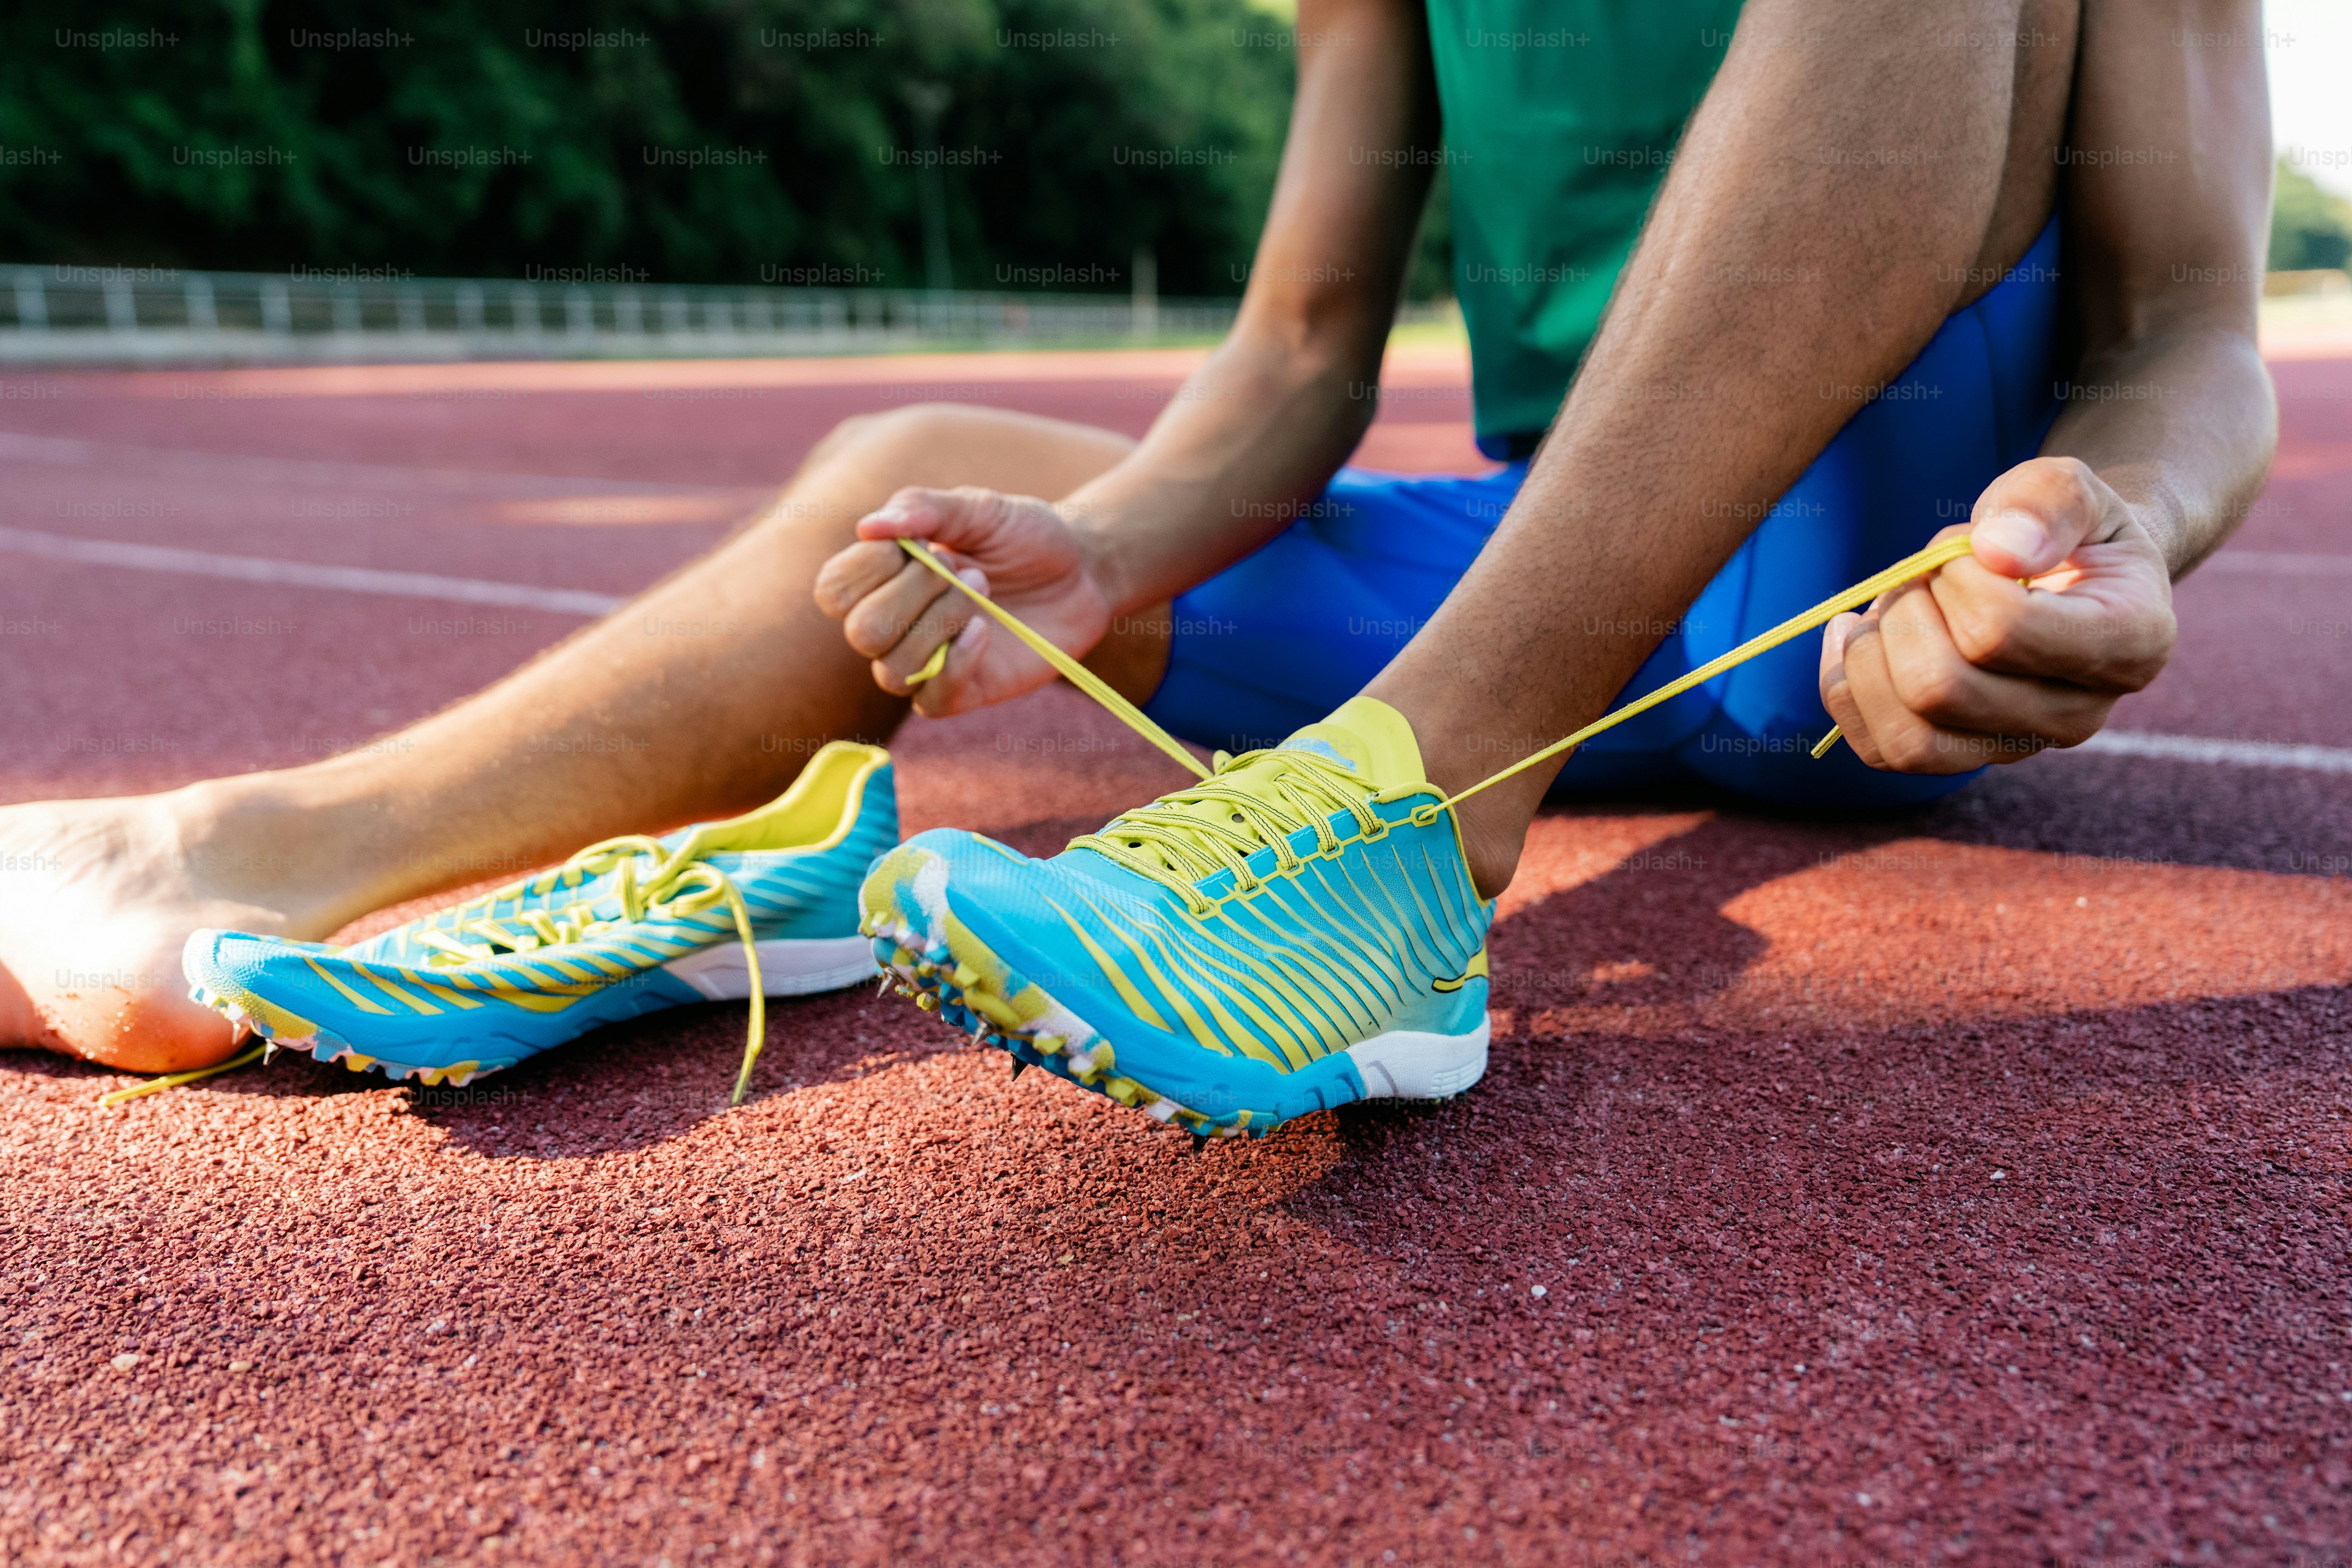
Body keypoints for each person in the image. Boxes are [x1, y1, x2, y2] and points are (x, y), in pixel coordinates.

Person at [0, 0, 2274, 1086]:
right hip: (1548, 575)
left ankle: (1410, 817)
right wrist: (1111, 547)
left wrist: (2122, 529)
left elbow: (2193, 334)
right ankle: (245, 853)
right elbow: (1293, 358)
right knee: (910, 458)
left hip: (1907, 588)